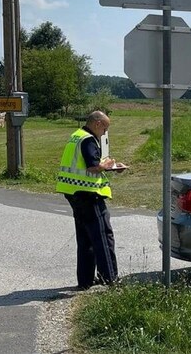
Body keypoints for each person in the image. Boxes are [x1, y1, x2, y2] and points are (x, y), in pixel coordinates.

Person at [55, 110, 125, 290]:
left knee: (85, 238)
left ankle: (85, 281)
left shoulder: (76, 136)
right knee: (103, 236)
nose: (105, 133)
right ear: (97, 123)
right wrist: (108, 166)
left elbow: (83, 163)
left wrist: (107, 166)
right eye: (105, 129)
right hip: (89, 194)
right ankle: (110, 279)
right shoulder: (88, 139)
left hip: (72, 191)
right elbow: (93, 167)